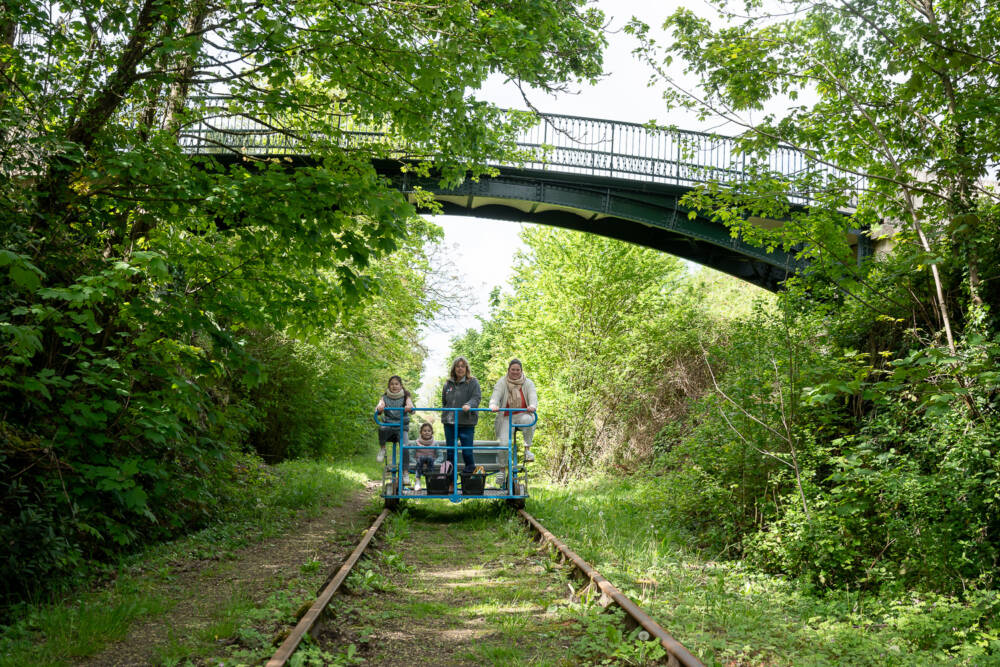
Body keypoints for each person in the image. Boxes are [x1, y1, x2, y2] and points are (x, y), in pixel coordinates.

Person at [490, 358, 538, 463]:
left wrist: (532, 405)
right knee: (504, 444)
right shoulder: (502, 382)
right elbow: (496, 395)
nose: (515, 372)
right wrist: (493, 404)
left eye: (518, 370)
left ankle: (527, 450)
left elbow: (533, 396)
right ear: (508, 370)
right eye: (513, 370)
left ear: (521, 371)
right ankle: (502, 470)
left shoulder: (528, 383)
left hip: (522, 414)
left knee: (529, 420)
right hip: (506, 417)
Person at [441, 356, 480, 473]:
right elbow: (444, 401)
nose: (460, 368)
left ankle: (468, 483)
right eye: (457, 366)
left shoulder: (473, 382)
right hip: (450, 423)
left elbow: (476, 397)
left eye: (462, 366)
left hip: (466, 422)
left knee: (467, 452)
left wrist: (469, 405)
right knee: (451, 452)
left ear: (466, 368)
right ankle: (450, 483)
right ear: (454, 368)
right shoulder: (448, 384)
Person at [375, 375, 414, 485]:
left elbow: (411, 406)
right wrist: (379, 407)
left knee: (405, 447)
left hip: (401, 428)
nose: (394, 386)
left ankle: (405, 473)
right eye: (392, 384)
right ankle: (383, 449)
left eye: (396, 384)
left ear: (401, 386)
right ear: (389, 386)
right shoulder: (385, 397)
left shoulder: (406, 397)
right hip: (389, 427)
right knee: (382, 428)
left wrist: (409, 407)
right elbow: (380, 405)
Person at [411, 422, 437, 493]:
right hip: (419, 461)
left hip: (431, 462)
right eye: (424, 431)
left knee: (429, 458)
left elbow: (440, 456)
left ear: (432, 432)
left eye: (429, 431)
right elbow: (411, 455)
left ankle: (430, 480)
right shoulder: (416, 443)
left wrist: (435, 462)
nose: (427, 432)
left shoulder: (435, 443)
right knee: (421, 458)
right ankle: (417, 481)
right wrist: (415, 462)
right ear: (421, 432)